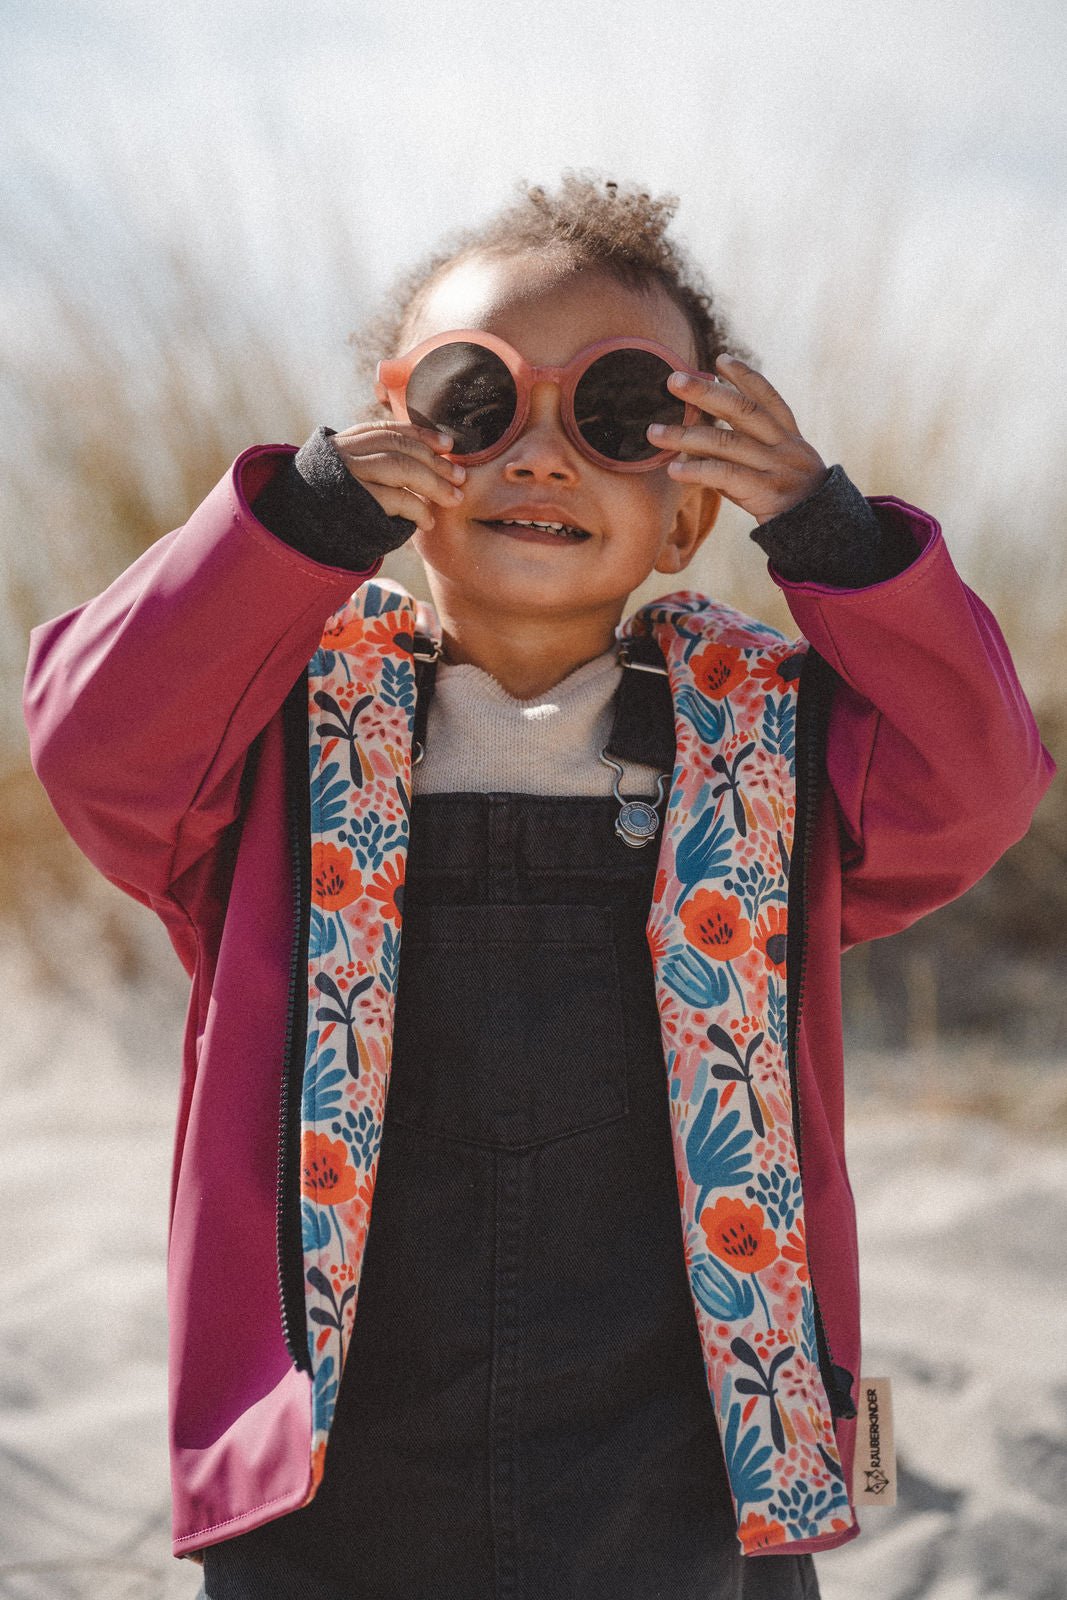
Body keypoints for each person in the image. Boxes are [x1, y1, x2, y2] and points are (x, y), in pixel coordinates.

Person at [23, 175, 1053, 1600]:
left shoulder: (758, 735)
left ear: (691, 516)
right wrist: (299, 525)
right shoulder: (276, 728)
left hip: (685, 1442)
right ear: (396, 450)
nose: (545, 455)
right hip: (339, 1445)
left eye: (624, 415)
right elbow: (95, 742)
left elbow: (977, 780)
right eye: (474, 403)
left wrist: (832, 533)